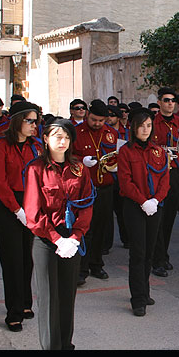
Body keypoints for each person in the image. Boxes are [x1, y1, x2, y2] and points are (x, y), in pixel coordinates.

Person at [24, 119, 94, 349]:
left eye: (66, 137)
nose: (62, 141)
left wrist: (75, 236)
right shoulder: (36, 169)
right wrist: (56, 238)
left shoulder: (79, 169)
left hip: (71, 240)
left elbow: (85, 204)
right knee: (48, 299)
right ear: (45, 139)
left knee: (66, 297)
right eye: (57, 136)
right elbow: (33, 212)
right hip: (46, 239)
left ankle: (66, 344)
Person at [0, 100, 43, 332]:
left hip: (32, 203)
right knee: (12, 260)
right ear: (17, 121)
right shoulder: (2, 145)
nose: (34, 125)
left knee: (27, 256)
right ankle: (13, 312)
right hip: (9, 205)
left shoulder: (37, 146)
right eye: (30, 120)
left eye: (36, 121)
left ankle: (24, 303)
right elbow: (0, 182)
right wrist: (16, 209)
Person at [118, 107, 170, 316]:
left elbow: (164, 179)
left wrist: (156, 200)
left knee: (149, 251)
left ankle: (145, 291)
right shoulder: (126, 151)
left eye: (149, 125)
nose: (145, 130)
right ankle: (137, 298)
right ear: (133, 127)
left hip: (154, 206)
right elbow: (125, 182)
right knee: (138, 253)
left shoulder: (159, 151)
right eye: (141, 126)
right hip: (134, 206)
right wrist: (143, 201)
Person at [72, 100, 118, 285]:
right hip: (84, 189)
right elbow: (66, 155)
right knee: (85, 229)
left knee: (101, 227)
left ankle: (96, 264)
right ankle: (81, 268)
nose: (97, 124)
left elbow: (117, 154)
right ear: (88, 115)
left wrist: (116, 166)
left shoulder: (111, 133)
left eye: (101, 120)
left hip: (105, 187)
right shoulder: (76, 132)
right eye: (94, 119)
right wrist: (81, 160)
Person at [150, 87, 179, 276]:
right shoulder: (152, 123)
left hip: (176, 173)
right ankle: (156, 259)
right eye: (166, 100)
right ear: (159, 102)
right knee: (158, 217)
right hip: (158, 174)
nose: (170, 103)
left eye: (173, 100)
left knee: (170, 218)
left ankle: (163, 254)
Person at [104, 104, 129, 252]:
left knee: (123, 211)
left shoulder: (126, 132)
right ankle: (106, 244)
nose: (109, 118)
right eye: (107, 115)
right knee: (107, 213)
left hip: (122, 175)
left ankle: (126, 239)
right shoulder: (104, 132)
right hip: (108, 174)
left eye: (112, 115)